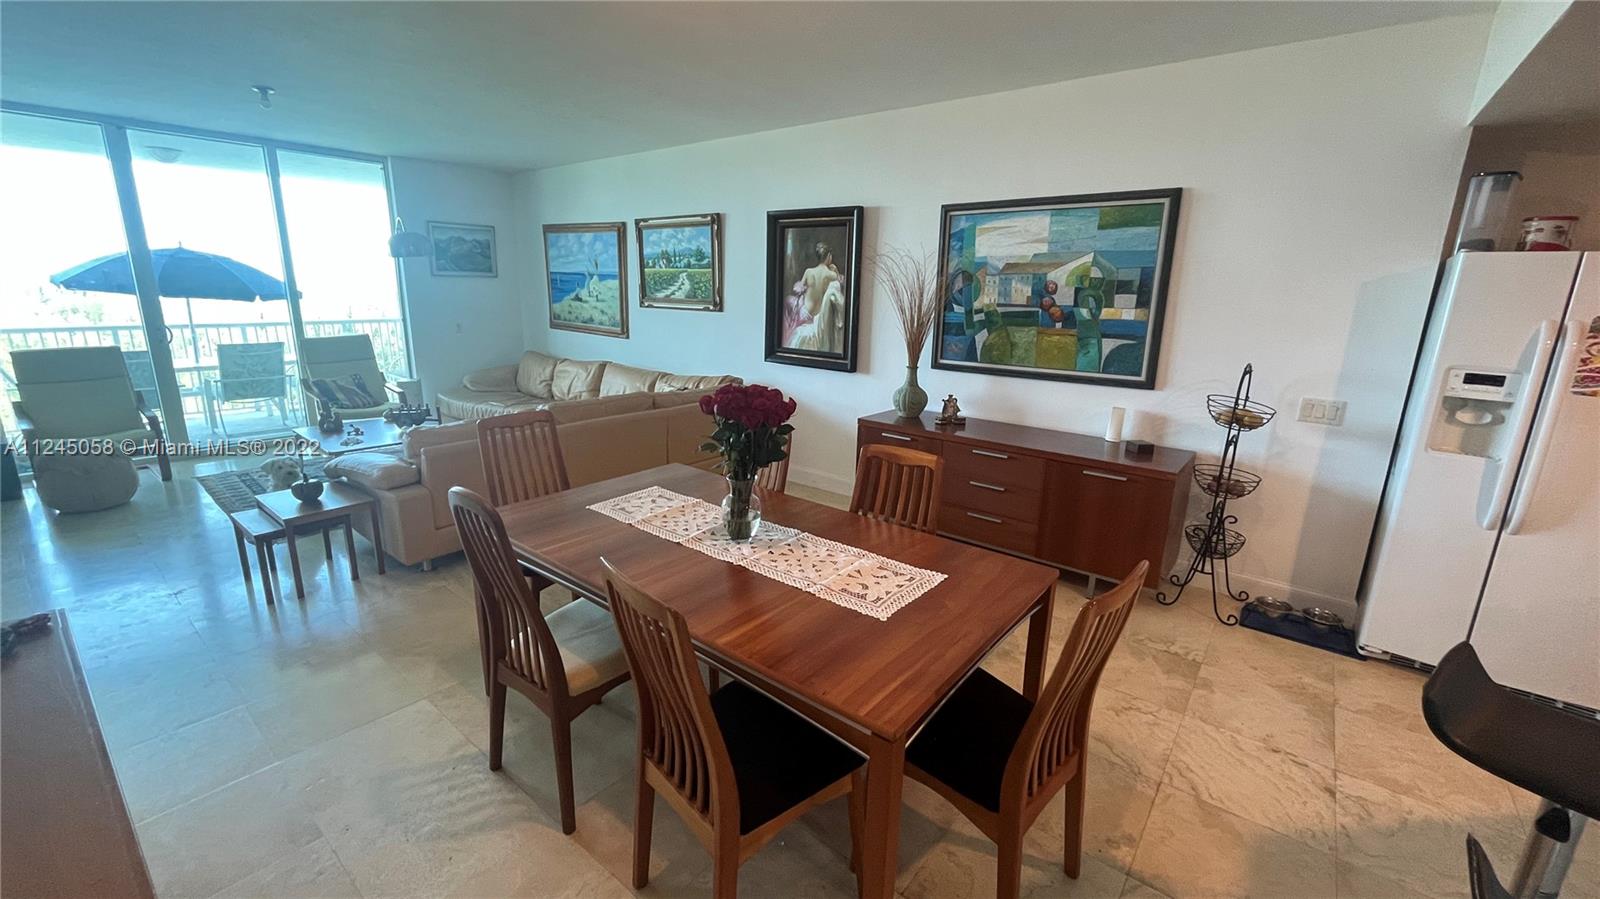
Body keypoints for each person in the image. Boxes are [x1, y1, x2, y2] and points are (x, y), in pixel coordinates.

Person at [783, 241, 843, 347]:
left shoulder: (808, 271)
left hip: (805, 312)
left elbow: (799, 288)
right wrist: (836, 270)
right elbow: (839, 285)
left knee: (790, 302)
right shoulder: (830, 274)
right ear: (829, 256)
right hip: (818, 315)